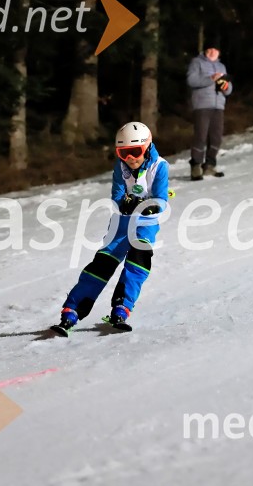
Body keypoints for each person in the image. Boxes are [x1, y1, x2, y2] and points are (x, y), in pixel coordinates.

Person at [52, 121, 169, 334]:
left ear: (148, 146)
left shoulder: (159, 166)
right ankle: (73, 310)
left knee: (139, 260)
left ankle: (122, 307)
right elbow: (116, 196)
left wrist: (147, 206)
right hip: (120, 224)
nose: (130, 159)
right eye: (123, 153)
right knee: (102, 264)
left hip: (145, 225)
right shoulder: (121, 166)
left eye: (135, 151)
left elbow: (161, 200)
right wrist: (125, 203)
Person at [186, 37, 233, 181]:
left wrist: (225, 86)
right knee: (200, 136)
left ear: (219, 52)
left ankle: (210, 166)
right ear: (205, 51)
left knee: (216, 138)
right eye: (210, 50)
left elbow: (229, 89)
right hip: (202, 105)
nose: (213, 52)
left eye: (215, 50)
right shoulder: (197, 63)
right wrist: (211, 79)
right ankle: (196, 166)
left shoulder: (222, 67)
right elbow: (191, 81)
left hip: (218, 106)